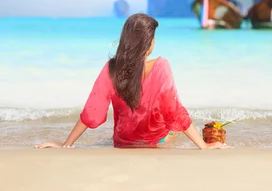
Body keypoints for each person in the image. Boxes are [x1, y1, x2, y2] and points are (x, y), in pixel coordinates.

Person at [36, 14, 227, 150]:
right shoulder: (161, 66)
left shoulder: (112, 68)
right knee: (172, 130)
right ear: (148, 43)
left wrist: (66, 145)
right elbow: (173, 110)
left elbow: (92, 113)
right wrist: (202, 146)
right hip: (155, 142)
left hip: (122, 142)